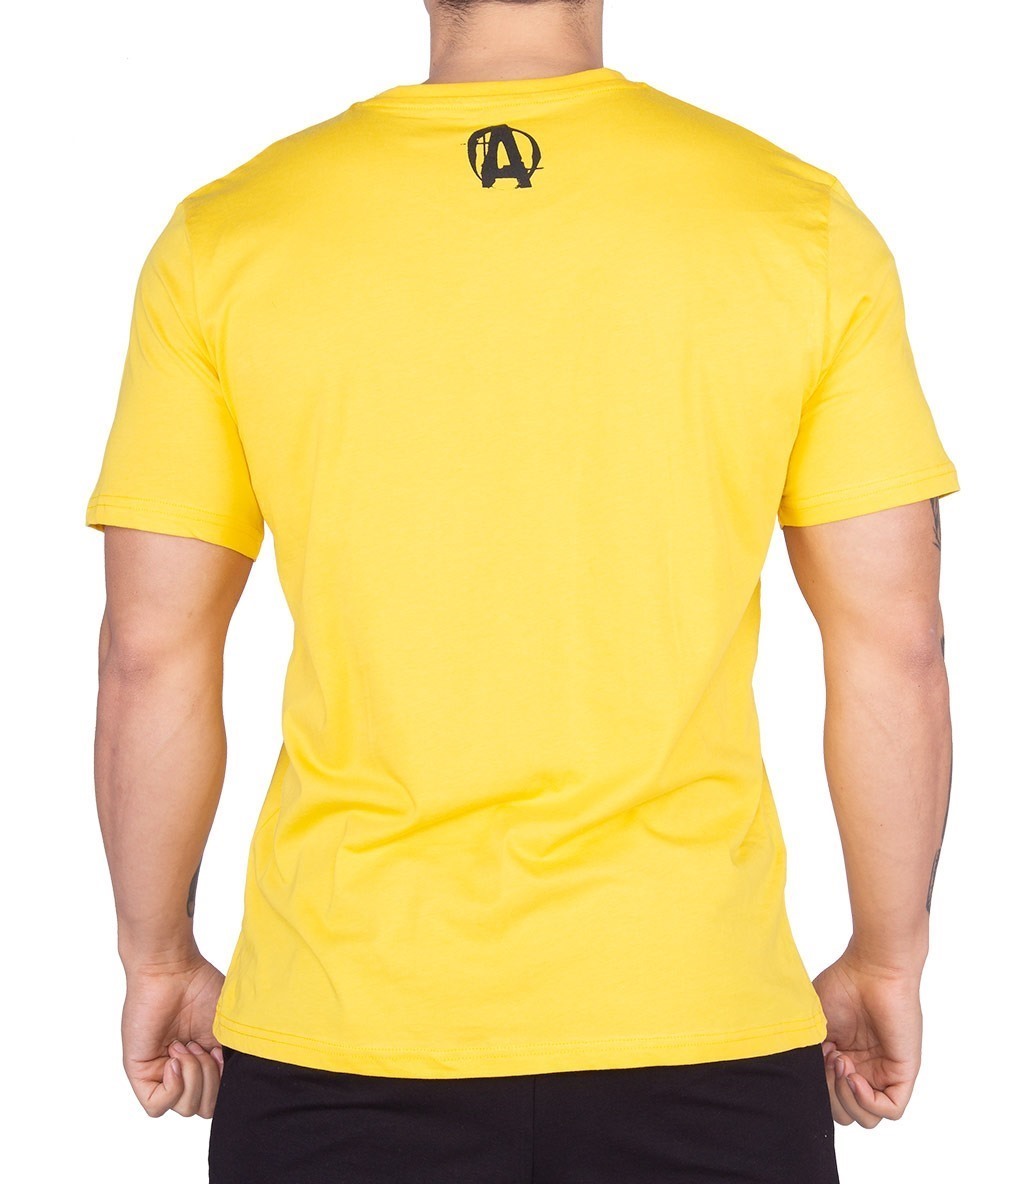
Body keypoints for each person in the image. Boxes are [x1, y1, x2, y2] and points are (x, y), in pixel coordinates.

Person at [84, 1, 958, 1180]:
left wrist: (156, 954)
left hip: (342, 1034)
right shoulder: (795, 223)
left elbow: (149, 651)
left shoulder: (230, 235)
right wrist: (887, 955)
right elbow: (895, 642)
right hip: (696, 1025)